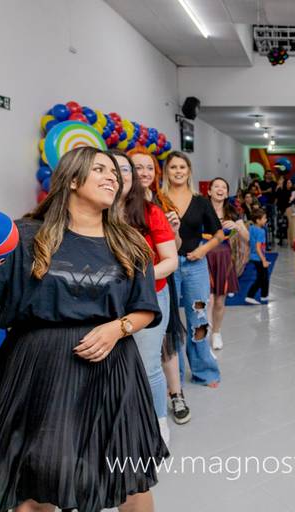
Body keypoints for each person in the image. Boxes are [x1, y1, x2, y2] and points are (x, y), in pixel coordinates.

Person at [0, 147, 166, 512]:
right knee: (37, 482)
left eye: (115, 172)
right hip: (39, 372)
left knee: (129, 476)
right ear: (72, 179)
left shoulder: (130, 242)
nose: (112, 177)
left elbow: (144, 309)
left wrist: (117, 329)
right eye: (100, 169)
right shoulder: (25, 237)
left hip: (112, 368)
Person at [114, 149, 177, 444]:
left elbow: (170, 260)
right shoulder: (95, 214)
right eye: (111, 169)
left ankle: (158, 422)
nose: (118, 175)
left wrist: (137, 281)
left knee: (148, 364)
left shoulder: (150, 212)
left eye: (125, 169)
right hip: (108, 302)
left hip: (149, 297)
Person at [127, 147, 191, 425]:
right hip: (134, 285)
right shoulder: (115, 203)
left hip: (160, 280)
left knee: (166, 339)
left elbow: (174, 248)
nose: (144, 172)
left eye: (149, 168)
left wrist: (174, 231)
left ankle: (175, 394)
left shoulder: (161, 203)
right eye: (137, 167)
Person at [163, 150, 224, 388]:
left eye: (182, 167)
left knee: (198, 319)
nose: (178, 171)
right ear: (166, 171)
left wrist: (203, 250)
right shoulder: (158, 199)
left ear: (189, 171)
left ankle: (204, 371)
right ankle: (173, 377)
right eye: (173, 167)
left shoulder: (200, 201)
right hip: (167, 266)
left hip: (195, 266)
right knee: (169, 321)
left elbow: (219, 234)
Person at [207, 177, 249, 349]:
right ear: (209, 191)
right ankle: (204, 331)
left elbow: (247, 237)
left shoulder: (232, 211)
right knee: (207, 299)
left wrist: (237, 227)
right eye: (216, 186)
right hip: (203, 256)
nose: (220, 189)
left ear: (226, 193)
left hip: (223, 257)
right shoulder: (201, 208)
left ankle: (216, 332)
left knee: (219, 300)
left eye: (223, 187)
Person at [245, 209, 270, 305]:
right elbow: (258, 247)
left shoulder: (252, 228)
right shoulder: (261, 231)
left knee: (264, 276)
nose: (266, 220)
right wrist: (263, 260)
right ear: (257, 220)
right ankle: (250, 296)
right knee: (261, 278)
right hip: (258, 257)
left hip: (254, 256)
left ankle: (264, 296)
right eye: (264, 218)